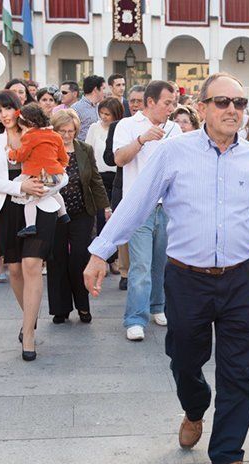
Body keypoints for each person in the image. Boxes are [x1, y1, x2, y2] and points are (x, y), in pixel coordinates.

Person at [85, 72, 249, 464]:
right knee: (185, 360)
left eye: (239, 103)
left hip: (240, 279)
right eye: (222, 102)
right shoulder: (174, 152)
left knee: (239, 371)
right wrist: (100, 251)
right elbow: (135, 204)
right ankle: (195, 410)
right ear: (204, 107)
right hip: (187, 279)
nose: (232, 110)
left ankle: (227, 455)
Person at [0, 91, 53, 360]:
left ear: (18, 109)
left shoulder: (39, 132)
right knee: (14, 270)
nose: (4, 114)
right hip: (7, 208)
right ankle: (29, 317)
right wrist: (19, 186)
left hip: (38, 205)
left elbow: (58, 169)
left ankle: (29, 334)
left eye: (8, 108)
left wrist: (44, 186)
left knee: (32, 265)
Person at [109, 80, 181, 341]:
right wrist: (142, 139)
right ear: (151, 102)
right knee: (140, 264)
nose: (171, 108)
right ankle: (135, 318)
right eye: (167, 103)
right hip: (139, 205)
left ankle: (157, 306)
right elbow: (118, 159)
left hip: (168, 206)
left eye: (173, 103)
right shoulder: (127, 125)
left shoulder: (175, 128)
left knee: (162, 262)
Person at [46, 109, 109, 325]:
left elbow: (95, 180)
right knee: (56, 259)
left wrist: (106, 207)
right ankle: (60, 309)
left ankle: (83, 305)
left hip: (82, 211)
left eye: (70, 131)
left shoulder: (85, 149)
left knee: (79, 258)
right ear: (55, 130)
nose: (66, 135)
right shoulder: (48, 150)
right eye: (62, 131)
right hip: (53, 212)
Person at [103, 85, 145, 290]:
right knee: (125, 230)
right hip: (123, 184)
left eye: (140, 100)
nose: (136, 104)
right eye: (133, 100)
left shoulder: (159, 126)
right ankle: (125, 272)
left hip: (147, 187)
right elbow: (109, 158)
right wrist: (129, 150)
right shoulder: (118, 126)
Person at [7, 104, 70, 238]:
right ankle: (63, 214)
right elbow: (64, 157)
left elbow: (21, 156)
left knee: (30, 199)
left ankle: (30, 225)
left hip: (40, 175)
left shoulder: (30, 136)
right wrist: (61, 168)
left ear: (27, 123)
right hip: (58, 173)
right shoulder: (55, 135)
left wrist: (9, 153)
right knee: (55, 193)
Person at [86, 97, 123, 235]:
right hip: (98, 177)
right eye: (101, 113)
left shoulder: (121, 128)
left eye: (107, 114)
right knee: (101, 216)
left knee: (116, 215)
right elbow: (88, 152)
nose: (103, 117)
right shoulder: (94, 128)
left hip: (117, 178)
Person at [72, 75, 107, 140]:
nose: (105, 92)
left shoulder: (102, 107)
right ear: (96, 89)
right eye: (103, 88)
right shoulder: (76, 109)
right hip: (84, 148)